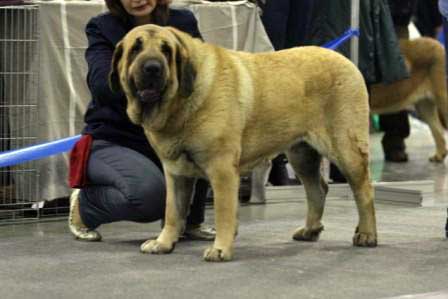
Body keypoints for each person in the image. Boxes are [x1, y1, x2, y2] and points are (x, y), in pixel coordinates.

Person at [68, 0, 215, 242]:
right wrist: (152, 85)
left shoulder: (182, 23)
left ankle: (190, 221)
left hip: (169, 136)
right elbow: (102, 86)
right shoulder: (102, 27)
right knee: (150, 196)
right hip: (115, 138)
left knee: (202, 143)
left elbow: (198, 76)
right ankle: (85, 206)